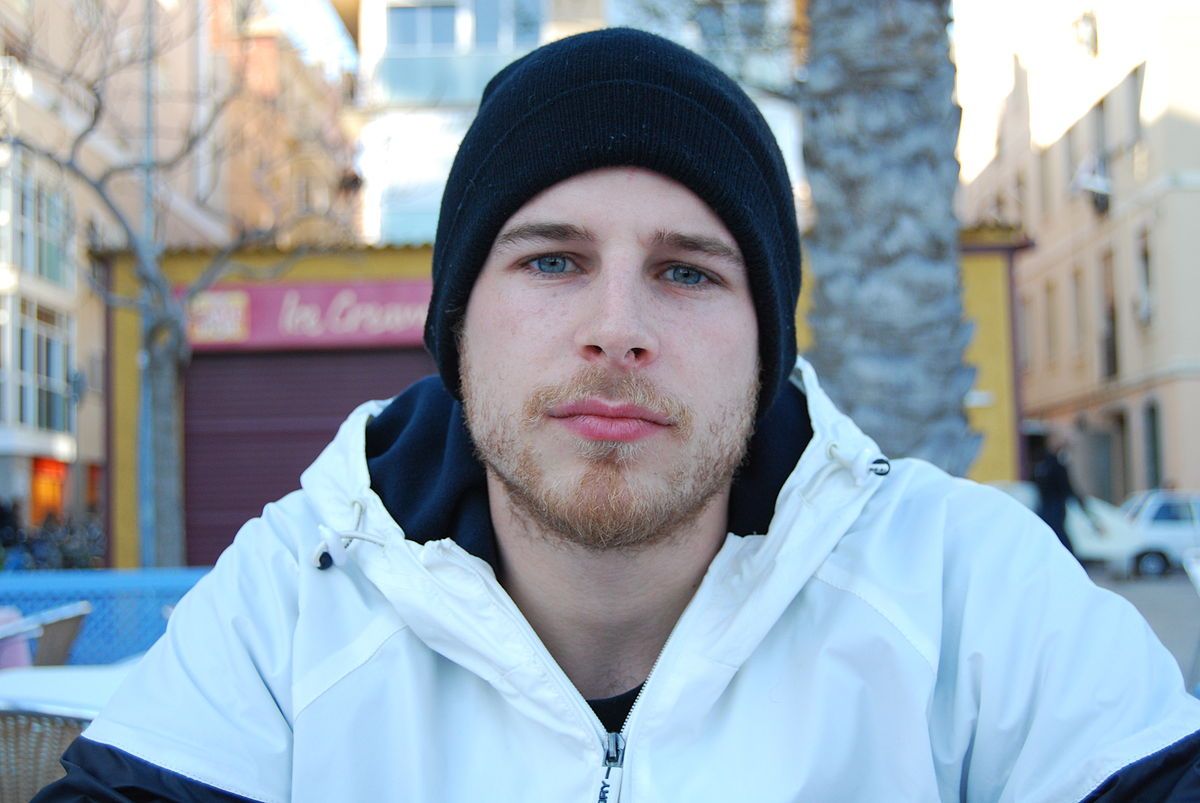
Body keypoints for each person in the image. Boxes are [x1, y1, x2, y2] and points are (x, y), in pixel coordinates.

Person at [38, 28, 1200, 802]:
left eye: (688, 270)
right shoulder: (301, 590)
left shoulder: (962, 585)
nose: (616, 328)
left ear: (768, 347)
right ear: (458, 324)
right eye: (552, 260)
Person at [1031, 438, 1088, 557]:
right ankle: (1071, 559)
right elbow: (1066, 487)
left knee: (1047, 533)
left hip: (1045, 506)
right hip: (1055, 506)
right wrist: (1079, 501)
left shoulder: (1041, 465)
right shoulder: (1057, 465)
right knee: (1059, 534)